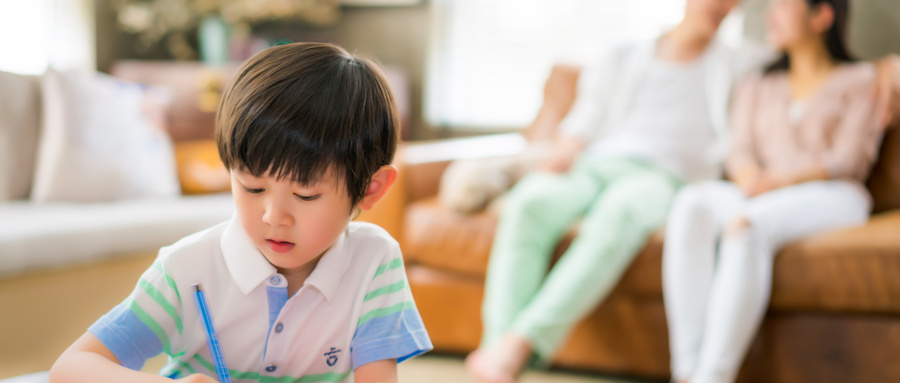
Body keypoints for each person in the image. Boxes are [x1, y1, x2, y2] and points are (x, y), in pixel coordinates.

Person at [49, 42, 432, 383]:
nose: (273, 216)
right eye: (253, 187)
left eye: (306, 194)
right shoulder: (187, 268)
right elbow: (71, 368)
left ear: (370, 188)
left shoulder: (375, 261)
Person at [465, 1, 768, 382]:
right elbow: (586, 117)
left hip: (664, 177)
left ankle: (521, 343)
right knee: (529, 202)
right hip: (597, 164)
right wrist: (567, 147)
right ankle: (498, 350)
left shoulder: (743, 64)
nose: (726, 6)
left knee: (618, 215)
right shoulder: (623, 55)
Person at [662, 0, 883, 382]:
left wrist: (777, 183)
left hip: (833, 193)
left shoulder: (861, 79)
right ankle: (686, 372)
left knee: (745, 225)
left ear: (822, 16)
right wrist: (749, 178)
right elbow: (740, 149)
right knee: (691, 202)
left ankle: (713, 376)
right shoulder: (759, 82)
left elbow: (848, 159)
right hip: (761, 189)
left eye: (783, 6)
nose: (770, 15)